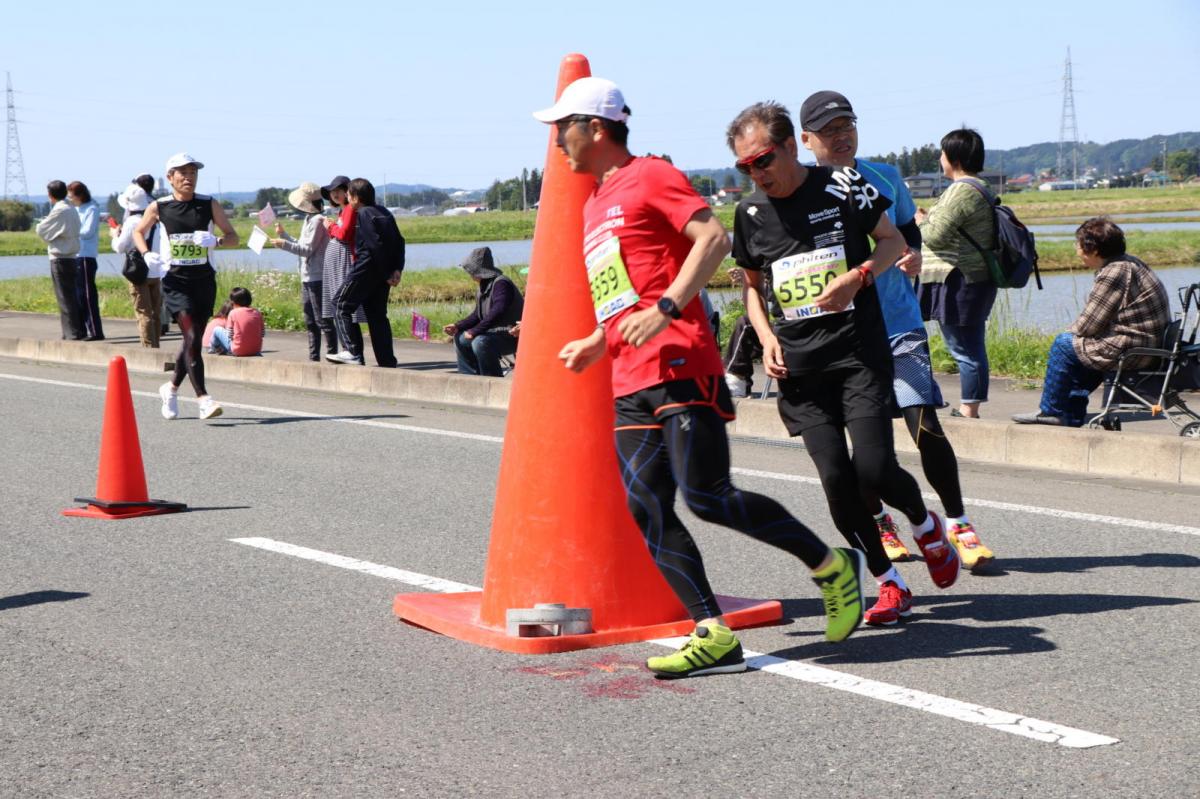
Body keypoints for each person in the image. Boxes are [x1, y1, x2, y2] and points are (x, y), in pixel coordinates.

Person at [539, 77, 867, 679]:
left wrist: (665, 309)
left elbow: (712, 239)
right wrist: (597, 339)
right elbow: (622, 295)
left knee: (707, 495)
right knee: (646, 506)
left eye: (563, 127)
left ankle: (830, 565)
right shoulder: (592, 204)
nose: (556, 140)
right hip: (629, 375)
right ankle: (711, 630)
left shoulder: (652, 176)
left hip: (681, 363)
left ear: (597, 127)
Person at [728, 101, 960, 627]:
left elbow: (893, 241)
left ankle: (926, 526)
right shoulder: (749, 214)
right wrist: (764, 339)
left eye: (762, 160)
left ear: (790, 146)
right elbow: (750, 289)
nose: (755, 173)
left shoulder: (841, 186)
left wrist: (858, 277)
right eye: (744, 167)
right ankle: (888, 582)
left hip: (858, 354)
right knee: (836, 478)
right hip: (799, 369)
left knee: (873, 469)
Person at [798, 91, 993, 572]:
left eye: (848, 125)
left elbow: (908, 231)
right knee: (865, 448)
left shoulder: (883, 176)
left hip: (898, 324)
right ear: (806, 140)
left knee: (924, 422)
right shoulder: (801, 192)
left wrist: (910, 252)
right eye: (829, 130)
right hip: (841, 335)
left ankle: (958, 524)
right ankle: (882, 522)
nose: (841, 136)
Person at [1014, 217, 1170, 427]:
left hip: (1134, 349)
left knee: (1063, 345)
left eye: (1078, 244)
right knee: (1080, 348)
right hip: (1145, 344)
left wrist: (1069, 335)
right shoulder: (1128, 262)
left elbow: (1088, 325)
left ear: (1093, 250)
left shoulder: (1114, 272)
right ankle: (1071, 414)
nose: (1076, 249)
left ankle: (1050, 410)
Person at [134, 152, 238, 421]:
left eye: (193, 173)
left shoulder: (208, 204)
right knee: (192, 338)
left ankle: (170, 388)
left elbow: (233, 237)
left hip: (204, 280)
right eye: (183, 173)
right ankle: (204, 399)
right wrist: (146, 253)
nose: (188, 178)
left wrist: (215, 241)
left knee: (191, 341)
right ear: (170, 177)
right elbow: (137, 231)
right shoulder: (160, 206)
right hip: (175, 282)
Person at [915, 129, 998, 419]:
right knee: (969, 342)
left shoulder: (961, 190)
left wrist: (920, 221)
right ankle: (970, 405)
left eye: (942, 153)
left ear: (954, 157)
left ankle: (968, 409)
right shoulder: (980, 187)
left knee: (964, 344)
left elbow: (936, 236)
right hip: (970, 276)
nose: (940, 158)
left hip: (959, 277)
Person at [327, 178, 403, 367]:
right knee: (377, 316)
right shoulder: (384, 212)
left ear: (355, 197)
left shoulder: (364, 213)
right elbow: (399, 241)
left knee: (340, 304)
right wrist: (396, 269)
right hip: (382, 273)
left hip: (365, 269)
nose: (347, 198)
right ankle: (387, 360)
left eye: (349, 195)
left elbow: (374, 245)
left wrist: (387, 272)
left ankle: (352, 352)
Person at [272, 182, 336, 361]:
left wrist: (284, 244)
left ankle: (332, 354)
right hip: (307, 276)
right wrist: (284, 235)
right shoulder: (309, 219)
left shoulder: (317, 221)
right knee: (310, 319)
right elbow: (302, 245)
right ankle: (313, 356)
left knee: (322, 319)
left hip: (317, 276)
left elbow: (307, 250)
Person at [444, 247, 524, 376]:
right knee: (460, 338)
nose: (468, 273)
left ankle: (491, 379)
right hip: (494, 333)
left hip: (511, 334)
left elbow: (497, 311)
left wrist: (475, 331)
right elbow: (478, 314)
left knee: (480, 342)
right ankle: (470, 378)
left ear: (476, 270)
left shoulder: (501, 284)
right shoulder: (483, 286)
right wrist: (458, 326)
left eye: (469, 269)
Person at [111, 183, 163, 347]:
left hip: (138, 272)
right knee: (155, 313)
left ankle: (149, 349)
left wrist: (114, 235)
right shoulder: (155, 219)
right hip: (156, 270)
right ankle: (156, 346)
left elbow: (120, 247)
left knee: (143, 312)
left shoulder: (133, 221)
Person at [319, 175, 366, 358]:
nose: (335, 195)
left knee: (342, 307)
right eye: (332, 192)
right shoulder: (343, 211)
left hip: (344, 262)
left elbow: (345, 235)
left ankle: (352, 351)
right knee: (342, 309)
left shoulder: (349, 210)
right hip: (339, 261)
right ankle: (352, 352)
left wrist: (330, 227)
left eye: (339, 190)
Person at [35, 180, 84, 340]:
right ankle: (78, 330)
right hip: (72, 256)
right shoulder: (71, 208)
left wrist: (51, 235)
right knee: (72, 295)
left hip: (60, 257)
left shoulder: (59, 210)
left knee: (64, 297)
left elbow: (41, 229)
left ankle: (71, 333)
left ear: (50, 195)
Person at [67, 181, 104, 340]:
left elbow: (87, 232)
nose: (70, 199)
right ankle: (81, 329)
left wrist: (70, 231)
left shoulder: (92, 208)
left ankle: (96, 331)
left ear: (80, 195)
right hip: (74, 255)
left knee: (87, 295)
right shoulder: (75, 209)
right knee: (77, 295)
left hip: (85, 256)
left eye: (72, 195)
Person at [722, 266, 763, 397]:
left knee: (745, 323)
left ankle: (737, 380)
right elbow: (762, 306)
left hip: (794, 328)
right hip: (778, 328)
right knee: (747, 323)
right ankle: (737, 379)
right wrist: (748, 280)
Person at [209, 287, 264, 357]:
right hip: (256, 350)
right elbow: (262, 333)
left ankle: (213, 349)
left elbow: (230, 334)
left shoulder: (233, 313)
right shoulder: (257, 313)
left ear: (233, 302)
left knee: (216, 329)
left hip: (238, 350)